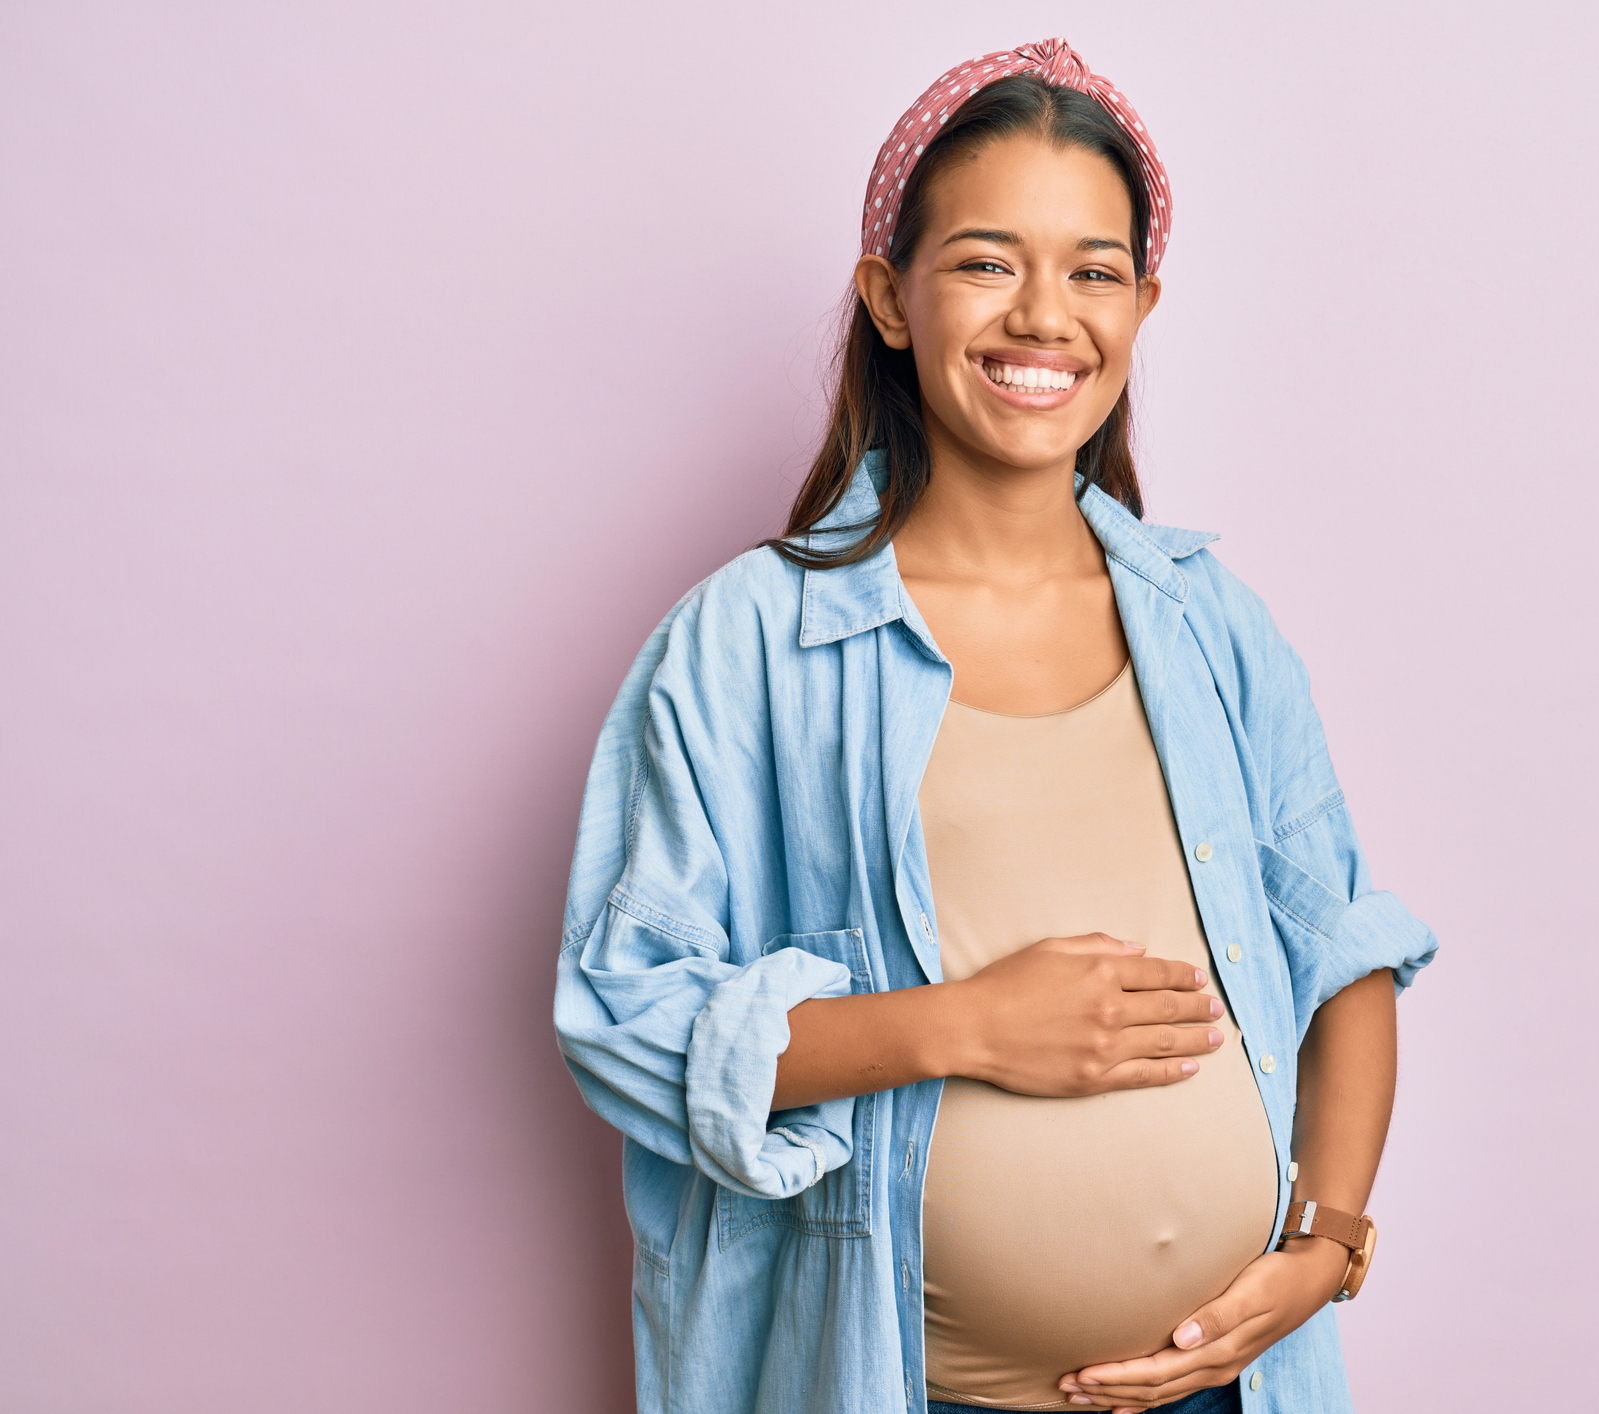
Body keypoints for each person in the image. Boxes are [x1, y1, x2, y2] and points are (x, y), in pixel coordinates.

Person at [555, 38, 1438, 1414]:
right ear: (888, 299)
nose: (1043, 316)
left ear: (1142, 306)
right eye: (983, 260)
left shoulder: (1212, 624)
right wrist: (958, 1025)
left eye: (1093, 269)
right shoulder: (749, 643)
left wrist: (1322, 1248)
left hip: (1230, 1384)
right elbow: (620, 1015)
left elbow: (1344, 952)